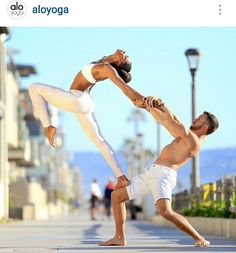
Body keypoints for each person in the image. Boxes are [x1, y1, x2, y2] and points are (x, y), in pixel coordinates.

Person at [99, 96, 219, 247]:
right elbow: (174, 119)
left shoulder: (193, 141)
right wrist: (163, 105)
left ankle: (199, 238)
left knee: (165, 212)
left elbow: (168, 122)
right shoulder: (187, 136)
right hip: (152, 173)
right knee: (116, 196)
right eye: (197, 117)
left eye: (199, 119)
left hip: (164, 175)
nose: (195, 119)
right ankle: (119, 237)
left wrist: (148, 106)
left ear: (205, 127)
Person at [28, 49, 145, 189]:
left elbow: (124, 87)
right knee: (99, 140)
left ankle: (48, 126)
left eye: (126, 56)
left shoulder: (108, 68)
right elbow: (109, 61)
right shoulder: (105, 61)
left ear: (119, 62)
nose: (125, 52)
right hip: (84, 100)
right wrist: (112, 58)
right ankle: (122, 178)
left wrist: (142, 99)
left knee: (34, 88)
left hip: (78, 99)